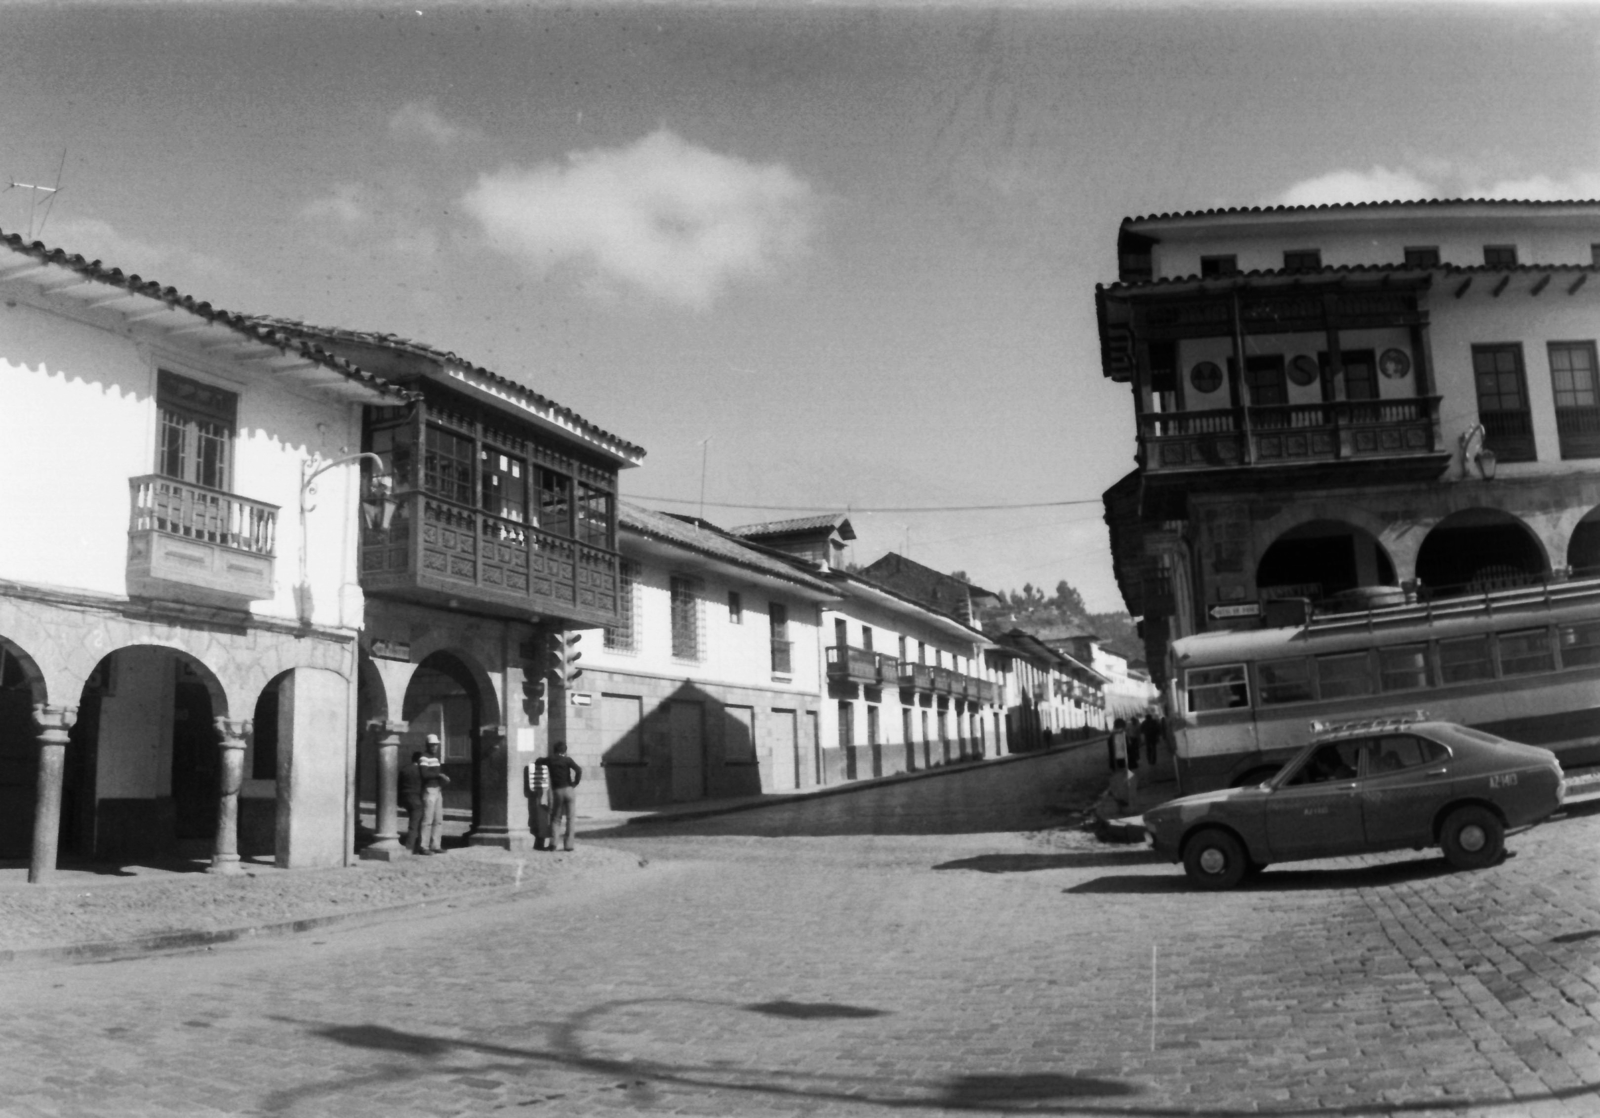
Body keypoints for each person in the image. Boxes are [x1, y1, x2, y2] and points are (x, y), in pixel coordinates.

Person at [542, 740, 583, 853]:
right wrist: (575, 783)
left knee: (556, 818)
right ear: (565, 751)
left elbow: (538, 761)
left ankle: (553, 844)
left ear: (555, 750)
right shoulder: (567, 760)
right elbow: (578, 770)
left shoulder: (550, 760)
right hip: (569, 790)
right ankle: (569, 845)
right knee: (570, 818)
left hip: (557, 791)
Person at [417, 734, 451, 855]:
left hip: (437, 789)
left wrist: (442, 779)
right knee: (427, 819)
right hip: (429, 790)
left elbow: (434, 774)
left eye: (436, 745)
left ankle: (435, 844)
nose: (435, 747)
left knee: (438, 819)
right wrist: (439, 775)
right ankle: (423, 846)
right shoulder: (424, 758)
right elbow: (424, 774)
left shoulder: (435, 759)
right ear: (428, 745)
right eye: (432, 745)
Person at [400, 750, 425, 854]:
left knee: (414, 822)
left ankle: (415, 845)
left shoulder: (404, 769)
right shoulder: (420, 770)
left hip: (405, 797)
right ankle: (411, 847)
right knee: (415, 824)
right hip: (416, 799)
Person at [527, 754, 551, 851]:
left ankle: (539, 844)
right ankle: (539, 844)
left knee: (540, 822)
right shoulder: (542, 773)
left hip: (539, 800)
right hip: (542, 802)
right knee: (543, 823)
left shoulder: (535, 772)